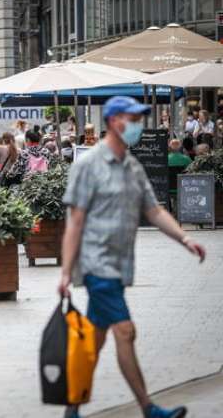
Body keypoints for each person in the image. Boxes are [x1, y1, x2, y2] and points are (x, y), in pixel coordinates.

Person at [59, 96, 205, 418]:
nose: (139, 125)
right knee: (126, 331)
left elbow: (153, 210)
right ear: (114, 122)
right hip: (98, 265)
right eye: (133, 119)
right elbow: (76, 221)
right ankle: (149, 408)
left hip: (120, 265)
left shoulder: (132, 166)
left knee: (94, 340)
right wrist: (66, 272)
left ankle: (71, 409)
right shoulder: (88, 164)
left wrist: (185, 238)